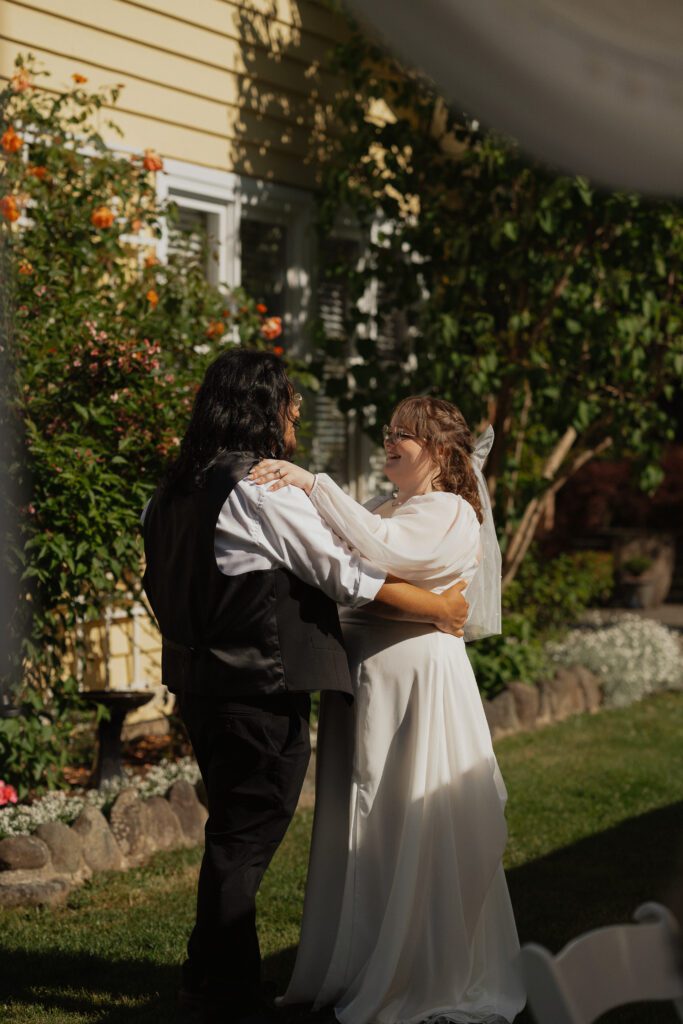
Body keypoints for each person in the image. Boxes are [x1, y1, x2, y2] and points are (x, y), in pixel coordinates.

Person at [140, 352, 470, 1024]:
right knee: (246, 835)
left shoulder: (171, 489)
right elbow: (343, 574)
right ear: (261, 408)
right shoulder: (261, 491)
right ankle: (224, 993)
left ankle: (206, 977)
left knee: (232, 829)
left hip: (196, 688)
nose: (294, 414)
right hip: (258, 689)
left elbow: (160, 587)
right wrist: (436, 608)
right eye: (288, 403)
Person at [249, 396, 526, 1024]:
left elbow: (388, 552)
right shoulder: (383, 506)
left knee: (409, 813)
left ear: (442, 451)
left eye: (409, 434)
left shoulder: (451, 511)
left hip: (418, 682)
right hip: (366, 680)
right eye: (390, 431)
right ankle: (360, 960)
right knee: (363, 818)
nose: (391, 440)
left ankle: (420, 966)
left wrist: (313, 483)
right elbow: (344, 570)